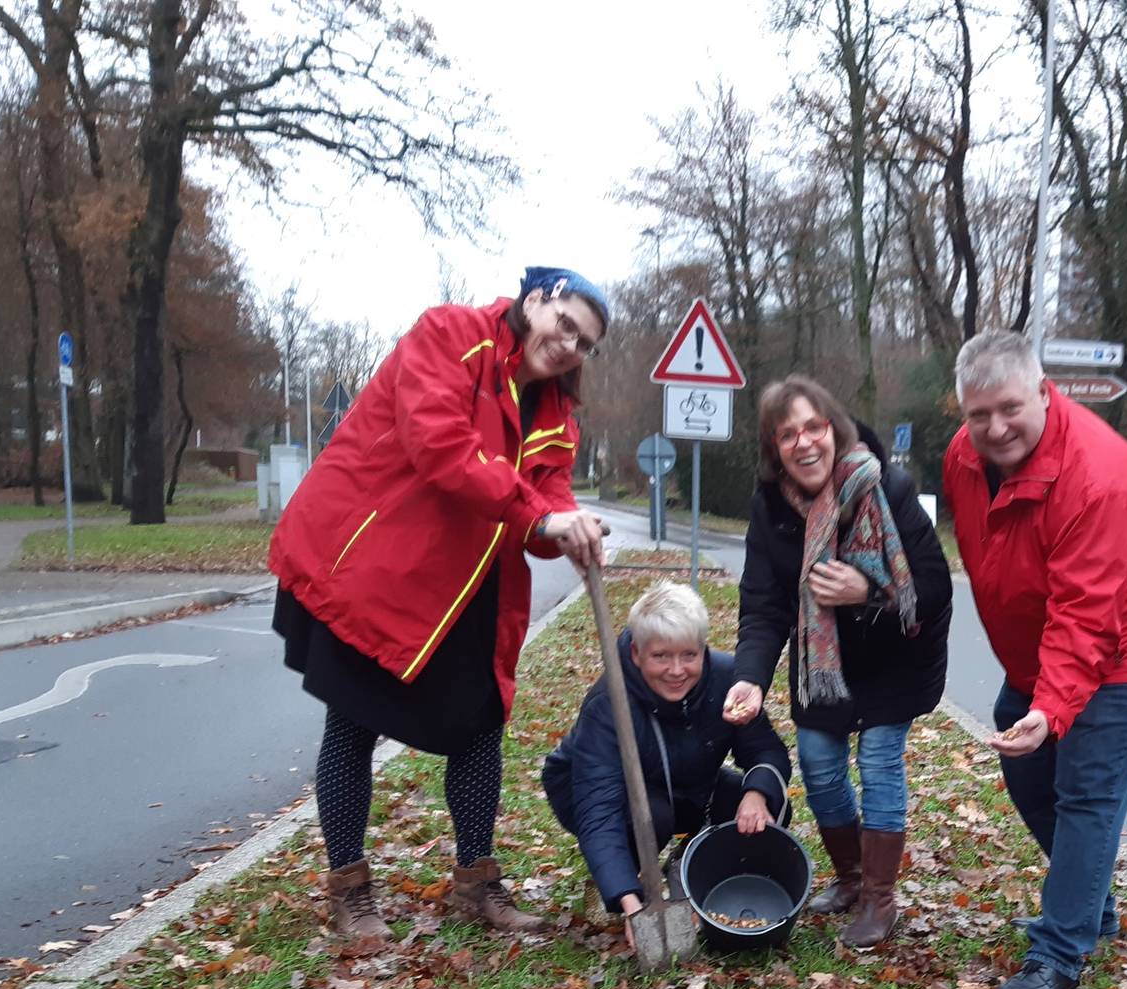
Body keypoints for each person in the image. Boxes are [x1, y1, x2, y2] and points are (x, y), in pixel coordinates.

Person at [269, 266, 611, 944]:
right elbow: (440, 446)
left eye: (584, 343)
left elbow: (551, 492)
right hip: (376, 566)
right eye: (564, 322)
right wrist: (539, 517)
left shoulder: (555, 410)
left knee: (482, 726)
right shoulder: (448, 335)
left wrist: (570, 525)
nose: (568, 344)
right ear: (536, 298)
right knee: (354, 723)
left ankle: (477, 884)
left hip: (472, 583)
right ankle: (350, 889)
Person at [941, 329, 1127, 989]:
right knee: (1024, 761)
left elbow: (1087, 612)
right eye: (977, 413)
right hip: (1042, 642)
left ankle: (1060, 951)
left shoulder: (1100, 474)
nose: (994, 428)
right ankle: (1091, 901)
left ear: (1044, 393)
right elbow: (987, 557)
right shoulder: (963, 459)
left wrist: (1051, 709)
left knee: (1087, 787)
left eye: (1010, 408)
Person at [724, 377, 953, 948]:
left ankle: (879, 899)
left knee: (878, 760)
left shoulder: (888, 487)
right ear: (773, 448)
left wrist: (868, 590)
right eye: (787, 434)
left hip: (896, 653)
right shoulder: (771, 509)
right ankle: (850, 880)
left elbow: (933, 585)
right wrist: (750, 676)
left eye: (814, 427)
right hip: (820, 661)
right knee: (821, 766)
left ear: (835, 430)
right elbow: (763, 605)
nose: (804, 443)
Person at [544, 582, 792, 930]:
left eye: (688, 655)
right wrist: (629, 905)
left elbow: (766, 748)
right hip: (603, 791)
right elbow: (598, 811)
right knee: (651, 816)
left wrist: (756, 794)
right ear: (636, 653)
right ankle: (618, 879)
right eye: (661, 656)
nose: (676, 671)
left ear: (702, 650)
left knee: (770, 803)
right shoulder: (609, 704)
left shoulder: (726, 680)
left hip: (690, 780)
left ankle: (689, 862)